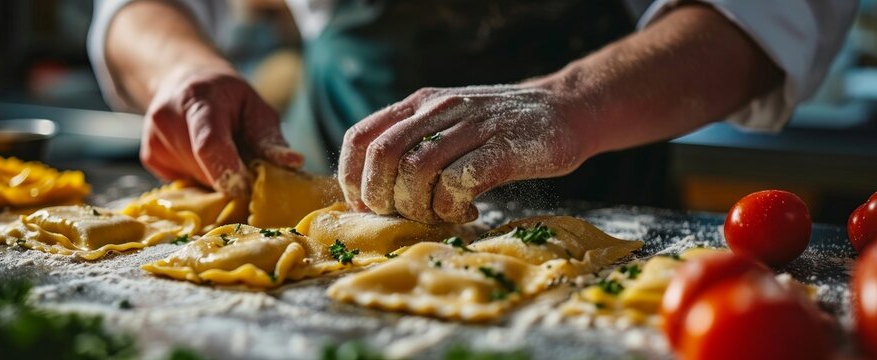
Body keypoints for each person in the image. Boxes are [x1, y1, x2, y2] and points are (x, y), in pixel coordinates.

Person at [89, 0, 857, 224]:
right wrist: (186, 69)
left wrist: (573, 102)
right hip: (328, 192)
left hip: (603, 181)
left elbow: (772, 13)